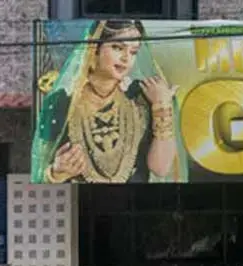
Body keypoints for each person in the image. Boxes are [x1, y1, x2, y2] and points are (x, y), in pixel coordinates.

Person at [32, 20, 189, 184]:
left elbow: (160, 168)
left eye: (134, 52)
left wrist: (162, 106)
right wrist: (56, 173)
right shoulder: (61, 102)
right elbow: (38, 175)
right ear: (94, 49)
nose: (126, 58)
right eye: (117, 48)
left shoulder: (141, 97)